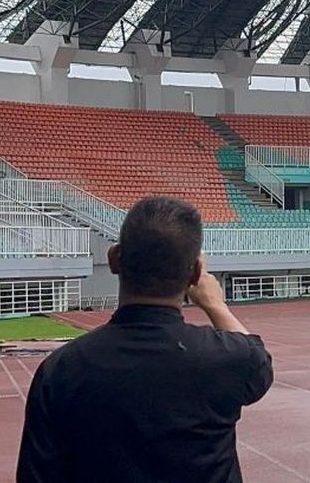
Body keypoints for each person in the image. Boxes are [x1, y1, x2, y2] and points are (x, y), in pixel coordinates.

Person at [17, 197, 273, 482]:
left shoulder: (60, 371)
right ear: (196, 273)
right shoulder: (226, 358)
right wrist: (215, 305)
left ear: (115, 259)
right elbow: (258, 361)